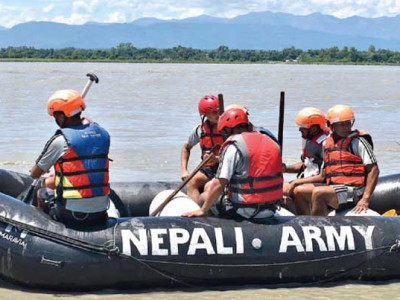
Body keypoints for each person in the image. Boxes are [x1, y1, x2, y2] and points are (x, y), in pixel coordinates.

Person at [183, 108, 284, 219]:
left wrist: (202, 210)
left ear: (227, 130)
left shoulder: (233, 146)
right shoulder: (271, 141)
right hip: (271, 208)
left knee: (204, 197)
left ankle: (213, 228)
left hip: (244, 210)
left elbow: (219, 184)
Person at [30, 89, 111, 226]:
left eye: (56, 115)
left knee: (42, 192)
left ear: (62, 116)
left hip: (71, 214)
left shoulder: (60, 140)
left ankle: (41, 231)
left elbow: (34, 173)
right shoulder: (103, 134)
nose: (56, 120)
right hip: (101, 212)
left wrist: (49, 176)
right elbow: (86, 168)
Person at [295, 104, 379, 216]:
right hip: (334, 188)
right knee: (299, 191)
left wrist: (365, 199)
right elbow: (322, 175)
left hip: (354, 190)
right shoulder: (327, 144)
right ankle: (304, 224)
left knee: (319, 193)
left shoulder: (358, 142)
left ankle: (316, 226)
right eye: (341, 124)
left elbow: (374, 169)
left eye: (348, 123)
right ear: (331, 125)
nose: (346, 128)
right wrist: (296, 182)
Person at [282, 107, 328, 214]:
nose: (299, 130)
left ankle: (303, 218)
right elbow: (306, 165)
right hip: (309, 179)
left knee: (287, 189)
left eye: (303, 127)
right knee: (277, 187)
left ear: (314, 128)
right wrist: (285, 169)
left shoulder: (324, 144)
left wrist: (296, 182)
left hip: (321, 182)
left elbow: (323, 176)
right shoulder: (308, 140)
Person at [181, 95, 223, 204]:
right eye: (214, 113)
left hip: (226, 167)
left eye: (218, 111)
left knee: (209, 188)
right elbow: (186, 148)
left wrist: (217, 159)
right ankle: (197, 213)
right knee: (191, 182)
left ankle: (207, 213)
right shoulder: (199, 130)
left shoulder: (228, 127)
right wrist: (184, 170)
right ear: (205, 114)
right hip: (209, 168)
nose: (218, 115)